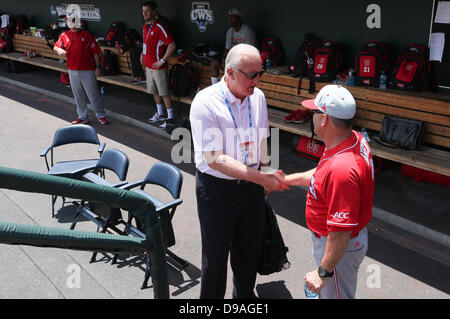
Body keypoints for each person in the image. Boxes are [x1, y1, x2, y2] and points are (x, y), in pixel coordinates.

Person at [190, 43, 289, 299]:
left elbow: (264, 137)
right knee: (215, 257)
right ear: (230, 72)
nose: (257, 81)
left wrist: (267, 170)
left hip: (251, 188)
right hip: (217, 190)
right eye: (252, 75)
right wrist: (261, 177)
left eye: (260, 74)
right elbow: (214, 159)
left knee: (248, 252)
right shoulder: (206, 102)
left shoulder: (258, 97)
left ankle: (244, 298)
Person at [285, 85, 375, 299]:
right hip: (340, 244)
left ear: (324, 120)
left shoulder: (342, 168)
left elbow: (340, 232)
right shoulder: (350, 138)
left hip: (338, 249)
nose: (311, 116)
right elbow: (322, 175)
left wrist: (323, 272)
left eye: (314, 112)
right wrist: (285, 180)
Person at [54, 10, 108, 125]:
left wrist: (98, 66)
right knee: (78, 95)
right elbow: (56, 47)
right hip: (72, 70)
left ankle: (101, 115)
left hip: (88, 70)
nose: (69, 22)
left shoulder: (86, 35)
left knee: (93, 94)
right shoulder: (64, 35)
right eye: (68, 20)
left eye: (71, 20)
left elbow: (96, 52)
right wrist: (59, 50)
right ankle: (82, 117)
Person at [141, 1, 176, 129]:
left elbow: (172, 45)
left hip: (159, 67)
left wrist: (162, 60)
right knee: (154, 91)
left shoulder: (159, 27)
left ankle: (170, 118)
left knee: (164, 93)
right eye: (143, 11)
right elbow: (146, 44)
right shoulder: (145, 26)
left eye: (147, 11)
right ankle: (160, 113)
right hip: (149, 66)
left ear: (154, 11)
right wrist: (142, 54)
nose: (144, 14)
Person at [210, 8, 257, 85]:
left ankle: (229, 87)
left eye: (233, 17)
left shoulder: (248, 31)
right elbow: (227, 49)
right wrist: (224, 59)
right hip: (233, 59)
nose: (230, 20)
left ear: (239, 18)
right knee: (214, 63)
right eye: (229, 17)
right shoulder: (229, 31)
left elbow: (250, 52)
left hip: (246, 59)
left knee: (231, 66)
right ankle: (215, 87)